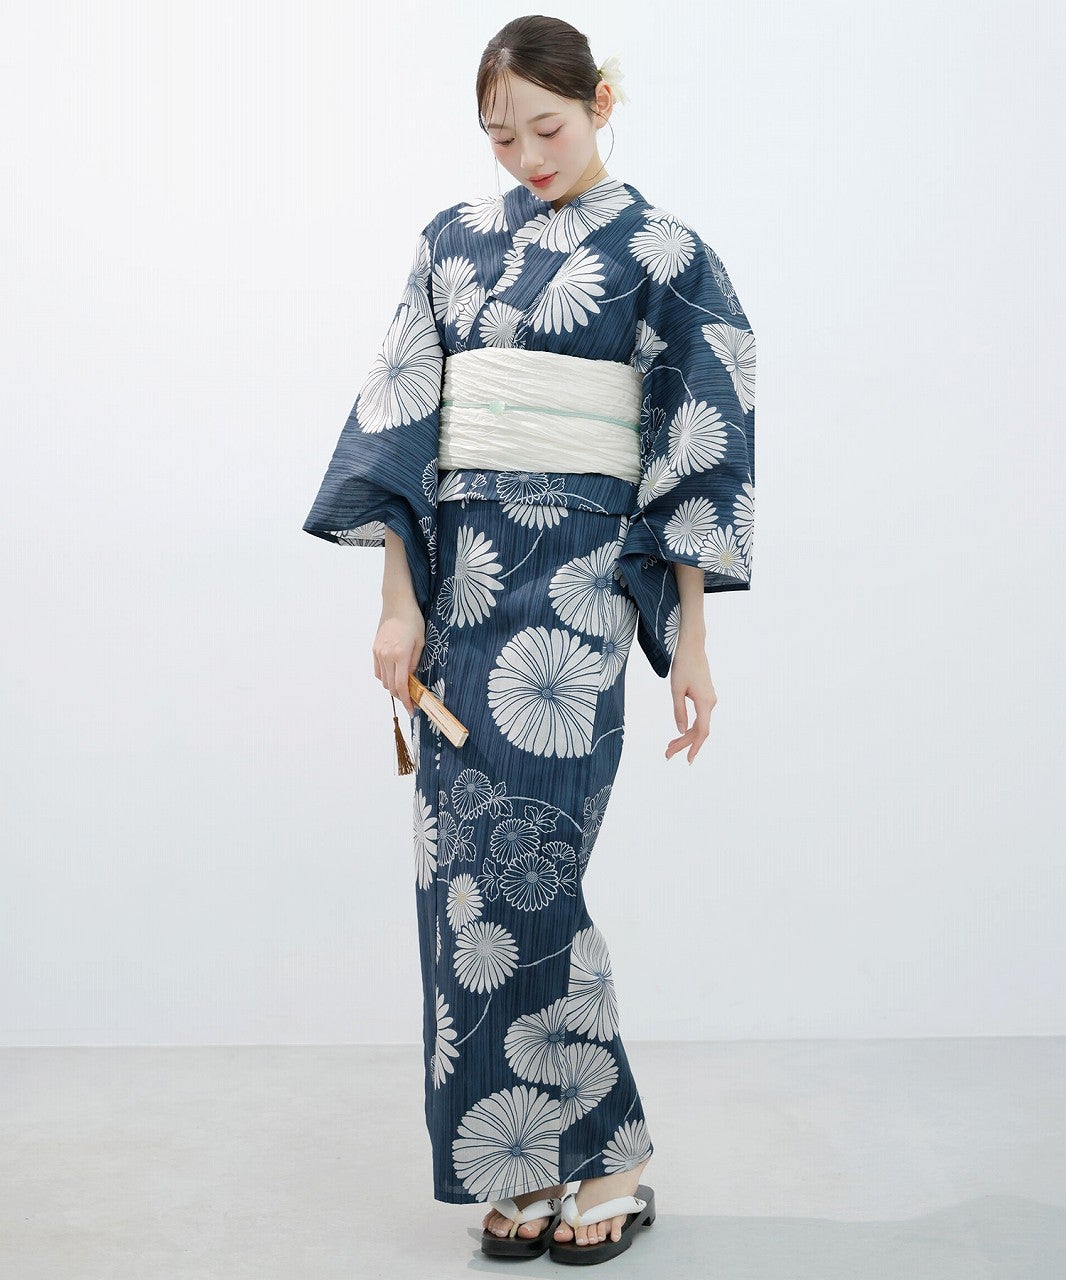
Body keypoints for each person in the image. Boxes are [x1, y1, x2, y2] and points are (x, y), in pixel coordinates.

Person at [302, 14, 755, 1265]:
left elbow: (695, 448)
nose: (526, 157)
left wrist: (692, 641)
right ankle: (533, 1159)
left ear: (600, 100)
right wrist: (395, 602)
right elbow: (402, 422)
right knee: (461, 886)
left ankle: (612, 1152)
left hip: (577, 596)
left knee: (531, 872)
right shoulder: (451, 241)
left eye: (545, 128)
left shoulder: (667, 254)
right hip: (461, 590)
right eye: (499, 137)